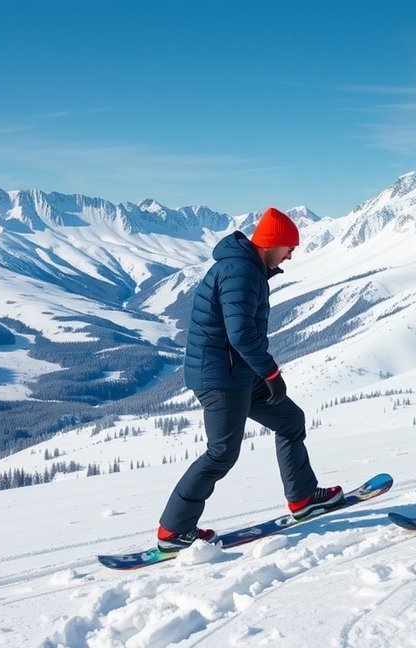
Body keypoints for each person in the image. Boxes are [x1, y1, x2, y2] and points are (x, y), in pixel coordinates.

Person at [155, 207, 342, 551]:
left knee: (289, 419)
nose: (291, 254)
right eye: (289, 246)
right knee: (222, 452)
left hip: (237, 371)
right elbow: (240, 334)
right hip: (221, 376)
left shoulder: (249, 268)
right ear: (272, 243)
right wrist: (271, 372)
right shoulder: (240, 272)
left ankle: (302, 497)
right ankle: (173, 530)